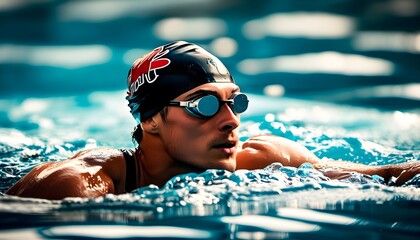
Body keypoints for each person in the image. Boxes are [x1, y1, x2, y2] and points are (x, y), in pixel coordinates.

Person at [6, 41, 420, 200]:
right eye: (204, 105)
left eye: (233, 103)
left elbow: (384, 175)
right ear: (151, 119)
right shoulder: (76, 184)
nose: (230, 122)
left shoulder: (263, 157)